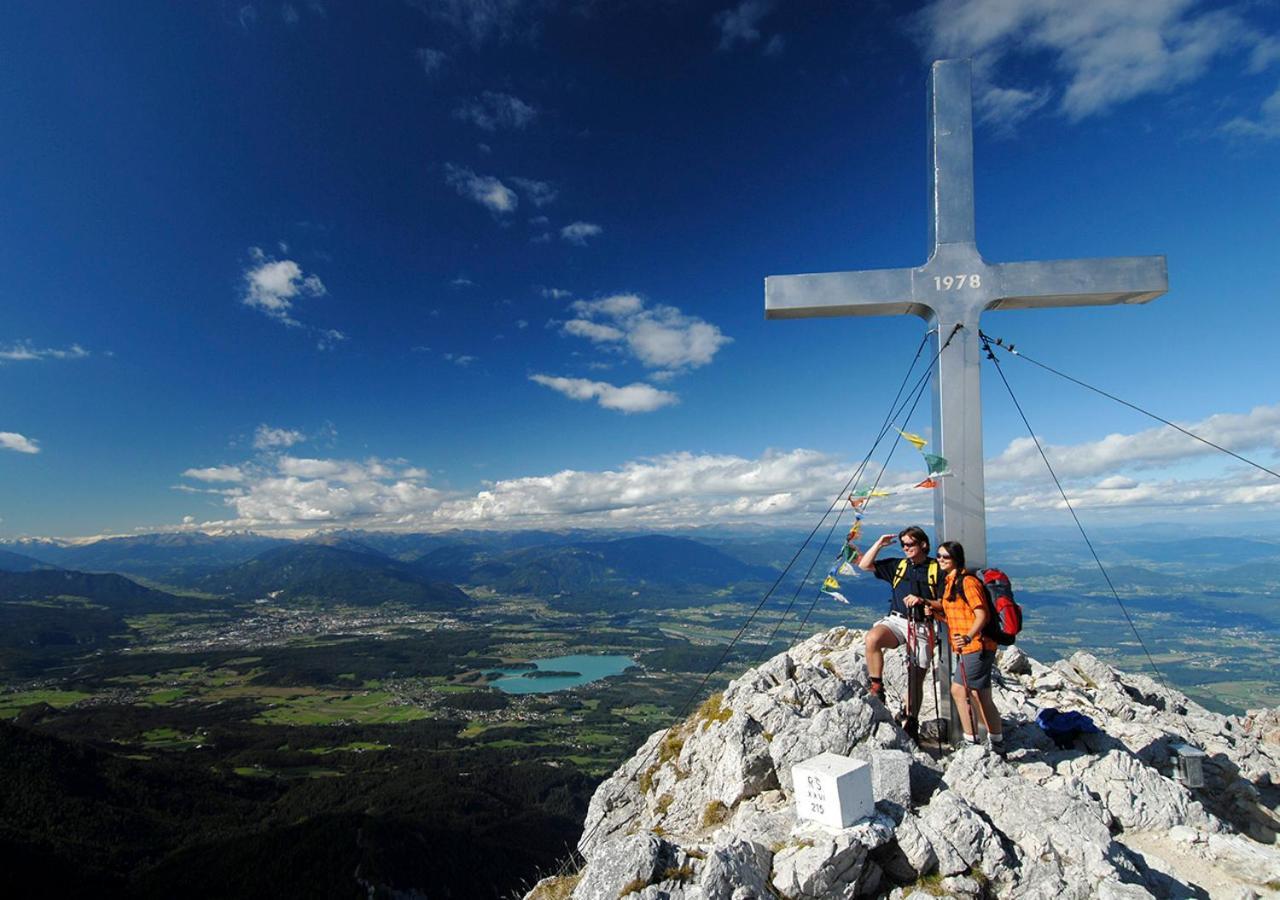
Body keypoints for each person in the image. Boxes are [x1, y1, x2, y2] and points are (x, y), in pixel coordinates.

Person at [908, 540, 1005, 754]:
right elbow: (952, 612)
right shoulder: (950, 581)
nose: (941, 560)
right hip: (970, 647)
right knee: (981, 695)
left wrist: (969, 637)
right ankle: (995, 742)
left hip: (977, 646)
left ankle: (972, 742)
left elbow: (981, 614)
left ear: (956, 559)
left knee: (960, 691)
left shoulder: (968, 582)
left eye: (946, 557)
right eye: (939, 556)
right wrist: (930, 609)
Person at [857, 526, 940, 739]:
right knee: (873, 638)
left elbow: (945, 601)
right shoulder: (899, 565)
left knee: (916, 677)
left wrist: (924, 601)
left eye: (910, 544)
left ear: (923, 544)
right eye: (903, 544)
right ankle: (877, 686)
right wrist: (879, 544)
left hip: (922, 625)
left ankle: (911, 718)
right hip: (897, 619)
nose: (905, 548)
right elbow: (865, 564)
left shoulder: (935, 569)